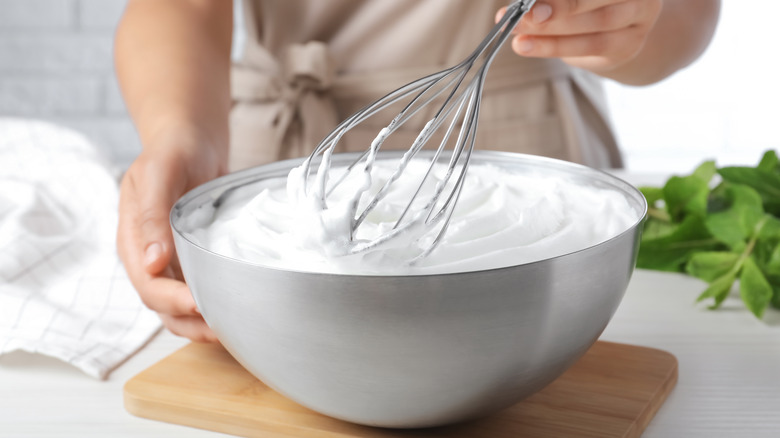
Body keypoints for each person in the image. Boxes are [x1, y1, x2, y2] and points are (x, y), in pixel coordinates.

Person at [114, 0, 720, 342]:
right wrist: (181, 134)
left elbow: (686, 18)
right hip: (276, 170)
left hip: (523, 145)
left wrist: (629, 23)